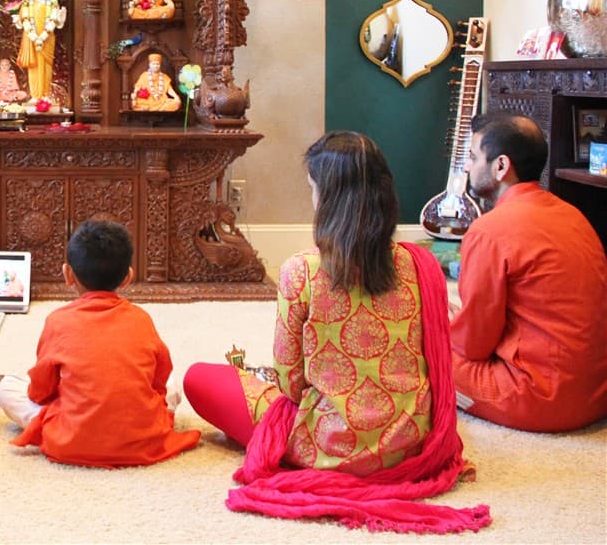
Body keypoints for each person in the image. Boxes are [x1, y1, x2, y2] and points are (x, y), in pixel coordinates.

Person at [182, 132, 488, 533]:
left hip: (324, 447)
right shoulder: (422, 266)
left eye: (312, 189)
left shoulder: (301, 271)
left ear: (327, 198)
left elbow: (291, 384)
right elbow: (436, 367)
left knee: (200, 378)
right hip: (408, 444)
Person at [0, 220, 200, 467]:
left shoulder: (57, 321)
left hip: (72, 440)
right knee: (173, 383)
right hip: (142, 438)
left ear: (68, 275)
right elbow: (159, 380)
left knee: (8, 387)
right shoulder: (141, 318)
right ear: (128, 277)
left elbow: (40, 391)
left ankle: (83, 426)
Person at [452, 112, 607, 432]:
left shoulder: (489, 231)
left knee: (426, 352)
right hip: (597, 393)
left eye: (472, 157)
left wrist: (447, 322)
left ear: (500, 166)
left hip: (542, 400)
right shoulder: (573, 215)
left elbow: (472, 346)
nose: (466, 167)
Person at [11, 0, 66, 104]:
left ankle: (45, 95)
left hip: (47, 39)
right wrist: (35, 37)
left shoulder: (52, 3)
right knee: (33, 67)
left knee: (46, 66)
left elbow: (53, 20)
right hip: (31, 39)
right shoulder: (26, 3)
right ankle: (35, 96)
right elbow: (25, 21)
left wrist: (43, 37)